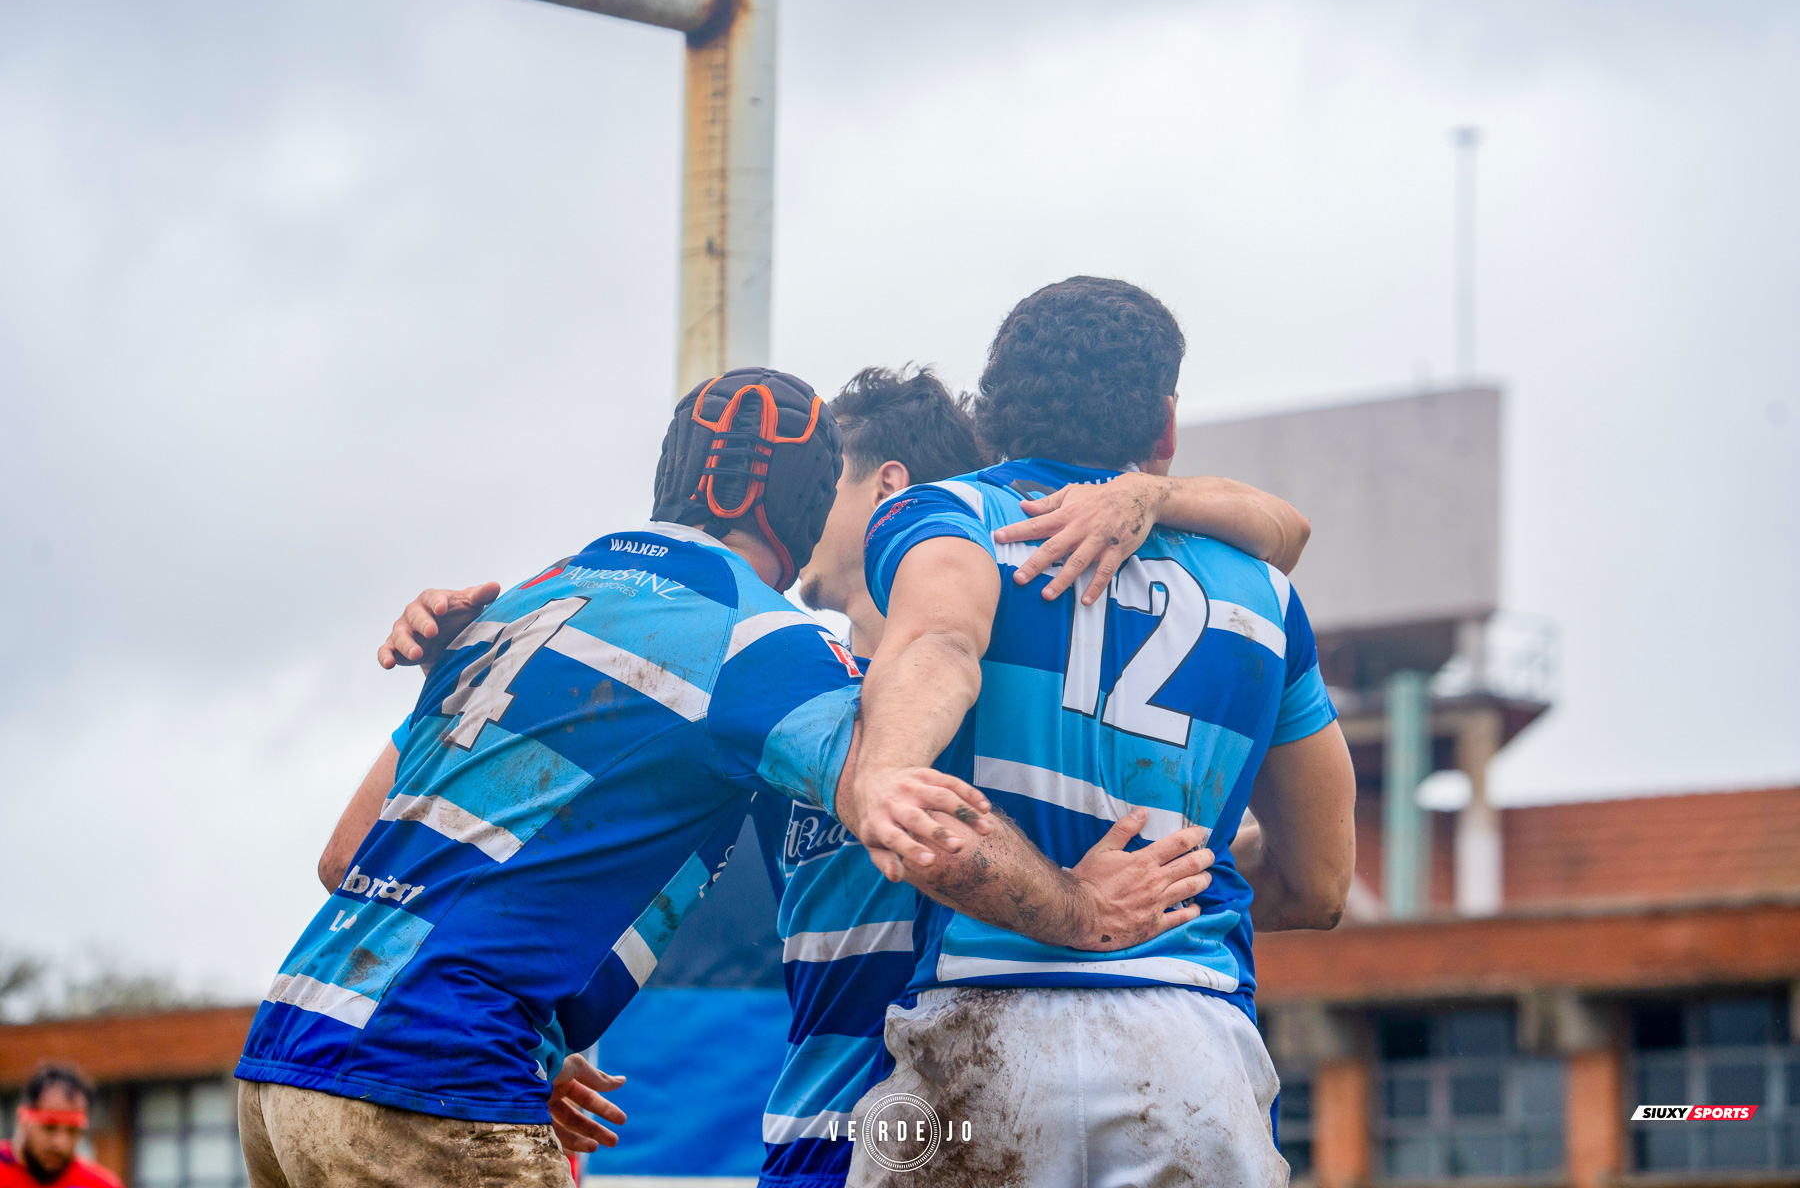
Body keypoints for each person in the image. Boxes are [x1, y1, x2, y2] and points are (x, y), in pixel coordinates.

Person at [247, 367, 1207, 1188]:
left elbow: (346, 857)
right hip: (435, 1074)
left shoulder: (528, 598)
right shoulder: (763, 646)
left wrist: (531, 1040)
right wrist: (1085, 910)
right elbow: (911, 816)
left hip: (285, 1058)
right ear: (801, 501)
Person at [839, 278, 1359, 1186]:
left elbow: (940, 640)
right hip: (1191, 1047)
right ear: (1163, 425)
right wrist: (1179, 890)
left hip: (974, 1031)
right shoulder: (1267, 597)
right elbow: (1320, 886)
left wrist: (888, 773)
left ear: (992, 410)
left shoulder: (948, 518)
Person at [0, 1063, 121, 1188]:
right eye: (49, 1127)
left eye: (72, 1131)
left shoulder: (100, 1185)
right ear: (22, 1119)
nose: (60, 1143)